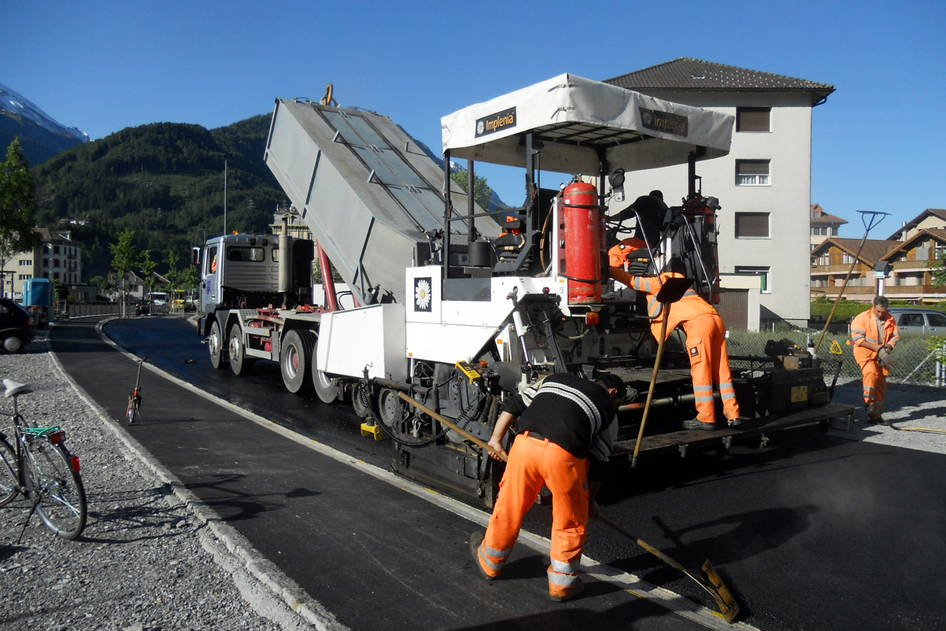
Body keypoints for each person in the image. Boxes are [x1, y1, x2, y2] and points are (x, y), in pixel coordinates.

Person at [470, 372, 626, 602]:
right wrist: (588, 501)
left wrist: (496, 439)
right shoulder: (608, 410)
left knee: (510, 506)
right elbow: (600, 461)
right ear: (613, 393)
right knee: (569, 520)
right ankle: (562, 585)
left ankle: (489, 562)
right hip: (563, 456)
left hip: (525, 446)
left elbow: (515, 403)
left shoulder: (555, 379)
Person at [609, 247, 745, 431]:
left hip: (698, 325)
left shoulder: (659, 282)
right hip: (715, 319)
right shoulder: (677, 279)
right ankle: (733, 415)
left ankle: (706, 417)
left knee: (701, 370)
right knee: (722, 371)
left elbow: (633, 282)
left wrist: (609, 270)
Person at [850, 295, 900, 424]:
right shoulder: (862, 318)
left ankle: (876, 415)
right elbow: (858, 339)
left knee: (881, 384)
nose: (881, 314)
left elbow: (895, 336)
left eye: (883, 312)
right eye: (878, 311)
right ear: (873, 307)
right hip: (865, 354)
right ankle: (869, 404)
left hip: (882, 356)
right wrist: (877, 348)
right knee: (871, 373)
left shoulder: (890, 319)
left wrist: (889, 346)